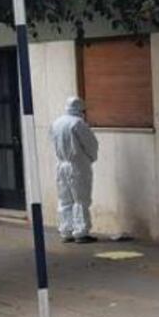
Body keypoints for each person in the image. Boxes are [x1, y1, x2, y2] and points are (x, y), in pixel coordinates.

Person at [51, 97, 99, 244]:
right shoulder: (78, 123)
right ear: (80, 109)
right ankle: (81, 232)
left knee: (65, 199)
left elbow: (53, 142)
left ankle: (66, 230)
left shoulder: (56, 123)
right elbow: (91, 145)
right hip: (77, 165)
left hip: (61, 165)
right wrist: (90, 158)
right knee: (81, 199)